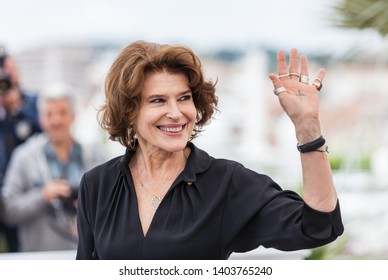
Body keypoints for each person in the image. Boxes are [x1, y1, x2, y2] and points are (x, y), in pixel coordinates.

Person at [76, 41, 344, 260]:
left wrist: (308, 130)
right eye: (158, 100)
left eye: (184, 98)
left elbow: (318, 228)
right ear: (129, 112)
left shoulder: (226, 182)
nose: (176, 113)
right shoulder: (98, 185)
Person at [1, 83, 106, 252]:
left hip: (88, 256)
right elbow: (8, 211)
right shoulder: (24, 157)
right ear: (40, 119)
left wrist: (87, 204)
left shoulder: (94, 156)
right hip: (39, 261)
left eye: (62, 113)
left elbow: (113, 203)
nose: (56, 120)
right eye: (49, 114)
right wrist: (43, 195)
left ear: (73, 115)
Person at [0, 47, 41, 252]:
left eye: (8, 70)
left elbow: (44, 133)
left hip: (26, 193)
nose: (5, 77)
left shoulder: (33, 102)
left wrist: (17, 108)